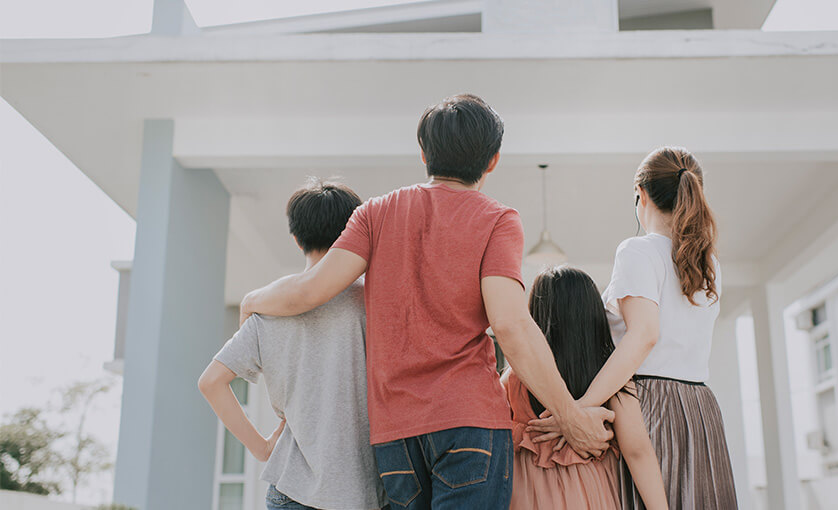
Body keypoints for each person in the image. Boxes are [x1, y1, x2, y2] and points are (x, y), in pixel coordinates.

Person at [237, 94, 613, 509]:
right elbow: (510, 325)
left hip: (395, 436)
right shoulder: (497, 220)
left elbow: (311, 291)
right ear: (493, 161)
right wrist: (571, 418)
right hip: (469, 424)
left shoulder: (375, 213)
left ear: (423, 153)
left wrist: (254, 299)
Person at [531, 146, 737, 509]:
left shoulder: (637, 251)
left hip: (651, 406)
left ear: (640, 194)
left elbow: (643, 336)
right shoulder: (709, 264)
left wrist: (577, 410)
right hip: (701, 409)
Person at [198, 180, 387, 510]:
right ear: (353, 233)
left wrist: (261, 448)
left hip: (291, 489)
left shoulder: (267, 311)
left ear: (297, 239)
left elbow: (211, 382)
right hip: (365, 491)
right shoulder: (373, 303)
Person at [503, 266, 668, 510]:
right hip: (595, 495)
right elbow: (637, 451)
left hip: (527, 496)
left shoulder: (516, 378)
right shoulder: (611, 378)